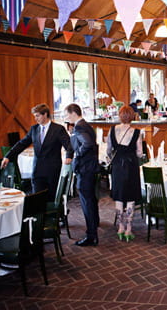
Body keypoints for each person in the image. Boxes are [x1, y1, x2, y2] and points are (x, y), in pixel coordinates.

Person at [2, 104, 73, 200]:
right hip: (37, 171)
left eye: (37, 115)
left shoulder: (58, 129)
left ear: (45, 114)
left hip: (52, 171)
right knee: (37, 200)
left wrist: (69, 156)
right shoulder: (34, 129)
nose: (35, 118)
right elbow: (21, 144)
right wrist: (8, 156)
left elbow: (69, 144)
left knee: (51, 199)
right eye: (35, 116)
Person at [64, 103, 100, 247]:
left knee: (87, 202)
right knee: (90, 199)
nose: (65, 118)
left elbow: (88, 144)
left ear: (73, 113)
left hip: (85, 169)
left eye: (66, 114)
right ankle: (94, 225)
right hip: (90, 168)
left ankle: (91, 236)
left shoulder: (79, 127)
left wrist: (76, 156)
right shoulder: (85, 125)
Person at [107, 106, 142, 242]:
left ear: (120, 115)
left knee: (119, 197)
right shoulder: (137, 132)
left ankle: (120, 227)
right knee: (131, 198)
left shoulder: (112, 130)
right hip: (131, 165)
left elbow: (109, 150)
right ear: (132, 116)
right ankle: (128, 229)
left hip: (117, 166)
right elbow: (139, 153)